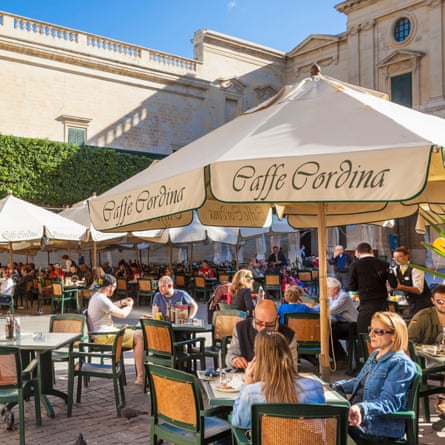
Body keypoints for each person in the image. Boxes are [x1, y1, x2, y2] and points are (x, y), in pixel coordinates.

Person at [332, 311, 417, 443]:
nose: (371, 335)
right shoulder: (376, 353)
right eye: (371, 329)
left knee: (322, 427)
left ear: (394, 335)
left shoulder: (401, 364)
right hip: (358, 421)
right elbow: (360, 382)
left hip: (375, 429)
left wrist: (360, 408)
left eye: (378, 332)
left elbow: (389, 402)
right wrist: (333, 386)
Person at [231, 329, 325, 429]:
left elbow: (238, 422)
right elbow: (320, 425)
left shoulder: (251, 393)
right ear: (288, 353)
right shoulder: (316, 387)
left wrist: (246, 384)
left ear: (259, 358)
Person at [87, 274, 144, 385]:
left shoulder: (96, 296)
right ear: (110, 287)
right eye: (115, 287)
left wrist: (122, 302)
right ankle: (141, 377)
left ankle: (141, 372)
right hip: (104, 336)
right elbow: (123, 315)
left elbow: (110, 306)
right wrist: (130, 305)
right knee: (140, 337)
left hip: (102, 334)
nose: (114, 290)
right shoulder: (102, 299)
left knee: (136, 332)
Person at [226, 299, 298, 369]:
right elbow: (230, 356)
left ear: (277, 318)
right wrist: (234, 360)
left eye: (269, 324)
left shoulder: (288, 335)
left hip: (275, 379)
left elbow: (292, 368)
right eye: (259, 323)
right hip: (244, 376)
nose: (264, 328)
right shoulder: (241, 328)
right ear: (254, 315)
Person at [348, 242, 397, 333]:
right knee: (383, 333)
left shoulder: (355, 265)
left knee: (365, 334)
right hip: (382, 305)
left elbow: (352, 287)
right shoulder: (385, 264)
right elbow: (394, 284)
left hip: (365, 305)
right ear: (371, 251)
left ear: (357, 253)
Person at [314, 277, 358, 367]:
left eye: (327, 289)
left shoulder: (343, 297)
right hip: (342, 323)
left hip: (352, 325)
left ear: (335, 289)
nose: (326, 291)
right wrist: (311, 309)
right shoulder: (332, 297)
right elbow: (321, 307)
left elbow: (330, 311)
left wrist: (318, 309)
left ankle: (341, 359)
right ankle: (339, 358)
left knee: (327, 334)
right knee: (324, 331)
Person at [391, 245, 432, 318]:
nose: (397, 259)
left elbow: (419, 290)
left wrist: (401, 287)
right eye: (395, 258)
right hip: (410, 301)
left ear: (407, 256)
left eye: (400, 257)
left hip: (423, 302)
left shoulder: (416, 269)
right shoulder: (395, 270)